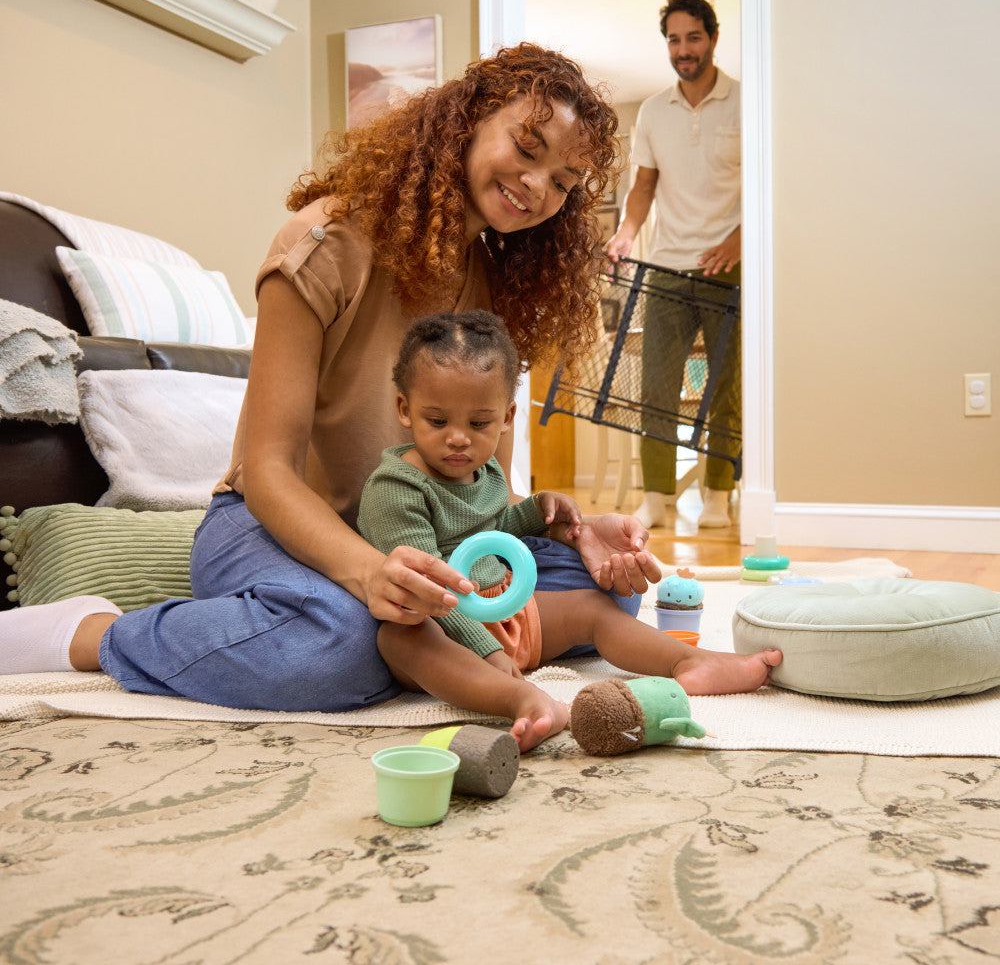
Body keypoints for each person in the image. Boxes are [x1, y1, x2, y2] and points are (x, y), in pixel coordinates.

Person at [0, 44, 670, 734]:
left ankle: (397, 632)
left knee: (606, 596)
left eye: (563, 182)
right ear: (466, 121)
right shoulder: (325, 243)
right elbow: (265, 471)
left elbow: (468, 470)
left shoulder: (493, 287)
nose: (537, 185)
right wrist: (368, 573)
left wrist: (575, 531)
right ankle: (92, 634)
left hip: (418, 535)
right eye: (527, 148)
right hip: (272, 525)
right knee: (341, 647)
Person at [357, 310, 781, 750]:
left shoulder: (483, 473)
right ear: (405, 410)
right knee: (400, 638)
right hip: (442, 623)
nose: (459, 439)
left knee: (592, 610)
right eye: (438, 421)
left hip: (505, 608)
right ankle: (522, 699)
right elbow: (427, 590)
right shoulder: (397, 489)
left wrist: (539, 511)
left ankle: (690, 660)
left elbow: (493, 527)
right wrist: (491, 655)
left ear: (506, 416)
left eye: (478, 424)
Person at [605, 0, 742, 529]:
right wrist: (625, 233)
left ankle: (717, 497)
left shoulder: (744, 102)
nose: (683, 50)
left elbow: (766, 187)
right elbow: (644, 186)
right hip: (664, 267)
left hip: (725, 268)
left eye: (692, 37)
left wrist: (741, 239)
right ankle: (657, 499)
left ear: (712, 37)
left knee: (724, 389)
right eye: (673, 40)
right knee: (656, 388)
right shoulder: (652, 112)